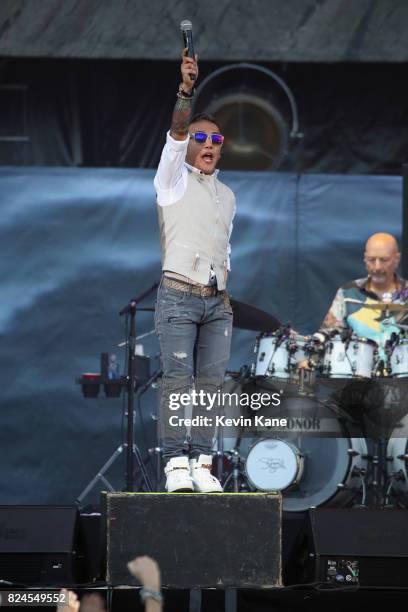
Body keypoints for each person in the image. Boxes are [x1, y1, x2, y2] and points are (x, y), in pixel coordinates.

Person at [153, 49, 236, 493]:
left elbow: (225, 247)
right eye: (202, 139)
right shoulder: (171, 180)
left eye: (217, 141)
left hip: (216, 301)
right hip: (179, 296)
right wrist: (186, 90)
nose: (209, 145)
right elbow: (177, 131)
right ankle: (174, 466)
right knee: (178, 382)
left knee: (210, 386)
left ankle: (202, 464)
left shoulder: (227, 195)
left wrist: (224, 294)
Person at [317, 232, 408, 363]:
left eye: (384, 260)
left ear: (397, 259)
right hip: (359, 375)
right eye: (372, 260)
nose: (377, 267)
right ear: (365, 259)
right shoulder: (348, 293)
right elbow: (330, 335)